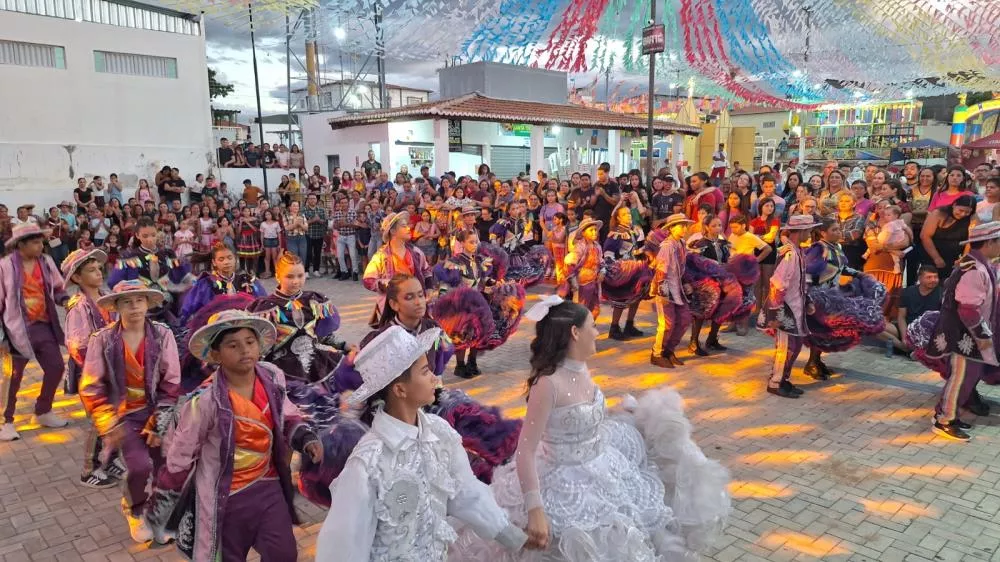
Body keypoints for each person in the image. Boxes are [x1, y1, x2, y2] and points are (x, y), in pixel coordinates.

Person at [450, 295, 730, 560]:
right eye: (592, 327)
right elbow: (525, 451)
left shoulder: (581, 367)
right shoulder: (547, 384)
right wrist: (535, 510)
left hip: (603, 468)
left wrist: (632, 416)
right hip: (563, 486)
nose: (597, 333)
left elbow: (580, 418)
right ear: (574, 333)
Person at [316, 325, 528, 560]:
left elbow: (465, 491)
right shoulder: (369, 463)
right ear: (400, 389)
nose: (435, 378)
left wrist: (510, 535)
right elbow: (344, 544)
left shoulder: (439, 433)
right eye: (425, 371)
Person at [148, 310, 322, 559]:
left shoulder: (272, 377)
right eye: (233, 345)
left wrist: (305, 437)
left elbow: (287, 414)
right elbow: (181, 452)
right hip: (225, 497)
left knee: (283, 553)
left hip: (268, 486)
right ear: (216, 354)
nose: (245, 350)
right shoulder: (204, 401)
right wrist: (165, 497)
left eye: (250, 342)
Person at [79, 280, 180, 543]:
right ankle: (134, 509)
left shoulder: (162, 334)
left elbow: (171, 381)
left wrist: (160, 421)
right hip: (123, 417)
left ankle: (158, 514)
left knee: (164, 466)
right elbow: (91, 386)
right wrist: (109, 423)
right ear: (116, 306)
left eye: (139, 300)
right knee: (139, 466)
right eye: (126, 301)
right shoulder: (102, 340)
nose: (134, 306)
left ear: (148, 303)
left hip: (156, 411)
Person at [924, 223, 1000, 441]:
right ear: (990, 242)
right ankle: (944, 420)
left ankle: (949, 414)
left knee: (966, 377)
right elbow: (967, 310)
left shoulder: (977, 265)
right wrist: (983, 336)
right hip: (965, 335)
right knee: (961, 378)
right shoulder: (974, 270)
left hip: (966, 334)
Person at [0, 222, 71, 441]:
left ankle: (43, 411)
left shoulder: (47, 262)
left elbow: (58, 289)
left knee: (57, 367)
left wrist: (68, 301)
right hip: (15, 330)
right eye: (35, 242)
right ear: (21, 244)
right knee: (12, 378)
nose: (40, 246)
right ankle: (6, 422)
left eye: (41, 241)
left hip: (43, 326)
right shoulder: (5, 266)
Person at [62, 249, 121, 488]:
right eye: (91, 270)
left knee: (116, 415)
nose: (98, 273)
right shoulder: (80, 307)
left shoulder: (106, 296)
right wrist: (97, 370)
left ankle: (111, 460)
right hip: (93, 372)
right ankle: (90, 470)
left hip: (113, 368)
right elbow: (78, 346)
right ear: (77, 278)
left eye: (99, 269)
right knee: (100, 420)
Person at [803, 219, 886, 379]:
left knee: (828, 331)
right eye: (834, 230)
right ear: (823, 233)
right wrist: (811, 295)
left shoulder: (837, 247)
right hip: (819, 297)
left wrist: (858, 274)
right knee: (819, 331)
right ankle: (812, 363)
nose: (838, 232)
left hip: (832, 295)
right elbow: (807, 271)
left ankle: (816, 361)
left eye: (838, 229)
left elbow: (841, 267)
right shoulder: (818, 249)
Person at [760, 215, 820, 398]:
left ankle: (784, 379)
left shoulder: (796, 251)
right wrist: (776, 314)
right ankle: (775, 382)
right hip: (785, 309)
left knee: (795, 346)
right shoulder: (790, 254)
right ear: (800, 232)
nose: (810, 233)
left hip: (795, 307)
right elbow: (777, 283)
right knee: (785, 348)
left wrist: (807, 301)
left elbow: (800, 282)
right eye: (808, 230)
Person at [109, 217, 193, 324]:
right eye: (145, 236)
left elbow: (180, 275)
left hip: (168, 302)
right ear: (137, 235)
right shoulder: (129, 256)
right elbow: (114, 281)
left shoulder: (167, 253)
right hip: (142, 305)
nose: (150, 239)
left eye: (153, 235)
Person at [363, 211, 433, 327]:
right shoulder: (381, 256)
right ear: (393, 231)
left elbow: (427, 270)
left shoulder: (415, 252)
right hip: (392, 306)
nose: (408, 228)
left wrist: (429, 288)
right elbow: (368, 280)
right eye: (404, 226)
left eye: (408, 225)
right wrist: (388, 285)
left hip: (414, 303)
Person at [179, 242, 266, 329]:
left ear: (235, 259)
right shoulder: (206, 284)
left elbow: (263, 303)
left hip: (247, 327)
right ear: (214, 262)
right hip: (215, 330)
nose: (226, 262)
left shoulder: (248, 281)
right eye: (221, 259)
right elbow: (187, 309)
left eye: (229, 258)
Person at [650, 214, 694, 368]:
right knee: (667, 324)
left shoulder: (681, 243)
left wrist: (686, 282)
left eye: (685, 225)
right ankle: (656, 354)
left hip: (677, 287)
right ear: (671, 228)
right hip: (666, 288)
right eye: (681, 225)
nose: (684, 228)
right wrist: (663, 292)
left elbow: (681, 267)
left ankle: (669, 350)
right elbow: (661, 270)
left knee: (684, 319)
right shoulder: (667, 246)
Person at [602, 203, 651, 340]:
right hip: (622, 272)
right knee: (621, 299)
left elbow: (640, 249)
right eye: (624, 214)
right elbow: (608, 254)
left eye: (629, 214)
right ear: (618, 218)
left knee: (637, 297)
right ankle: (614, 327)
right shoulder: (615, 235)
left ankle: (629, 325)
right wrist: (616, 269)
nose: (628, 216)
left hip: (637, 269)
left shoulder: (636, 230)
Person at [884, 265, 940, 352]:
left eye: (935, 277)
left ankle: (917, 351)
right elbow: (901, 317)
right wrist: (905, 337)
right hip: (908, 328)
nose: (933, 280)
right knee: (877, 327)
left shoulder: (943, 294)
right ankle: (904, 347)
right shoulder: (907, 292)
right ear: (920, 279)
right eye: (929, 277)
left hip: (928, 332)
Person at [920, 195, 974, 281]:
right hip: (932, 253)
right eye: (961, 210)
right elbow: (925, 236)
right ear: (954, 205)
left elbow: (970, 240)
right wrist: (936, 258)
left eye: (967, 212)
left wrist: (963, 258)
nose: (963, 214)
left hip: (955, 257)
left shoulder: (972, 217)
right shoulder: (939, 213)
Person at [561, 218, 603, 319]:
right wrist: (574, 284)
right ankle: (579, 331)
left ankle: (588, 328)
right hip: (583, 284)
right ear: (583, 233)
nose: (594, 232)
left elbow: (601, 261)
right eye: (591, 230)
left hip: (594, 282)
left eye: (595, 230)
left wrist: (602, 271)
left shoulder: (597, 246)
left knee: (595, 310)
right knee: (581, 310)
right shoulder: (580, 246)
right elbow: (570, 262)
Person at [863, 205, 911, 274]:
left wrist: (883, 246)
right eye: (880, 208)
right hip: (875, 265)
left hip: (893, 267)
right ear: (876, 210)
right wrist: (894, 251)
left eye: (886, 208)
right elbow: (873, 247)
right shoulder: (871, 225)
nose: (883, 210)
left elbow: (904, 243)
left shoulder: (899, 225)